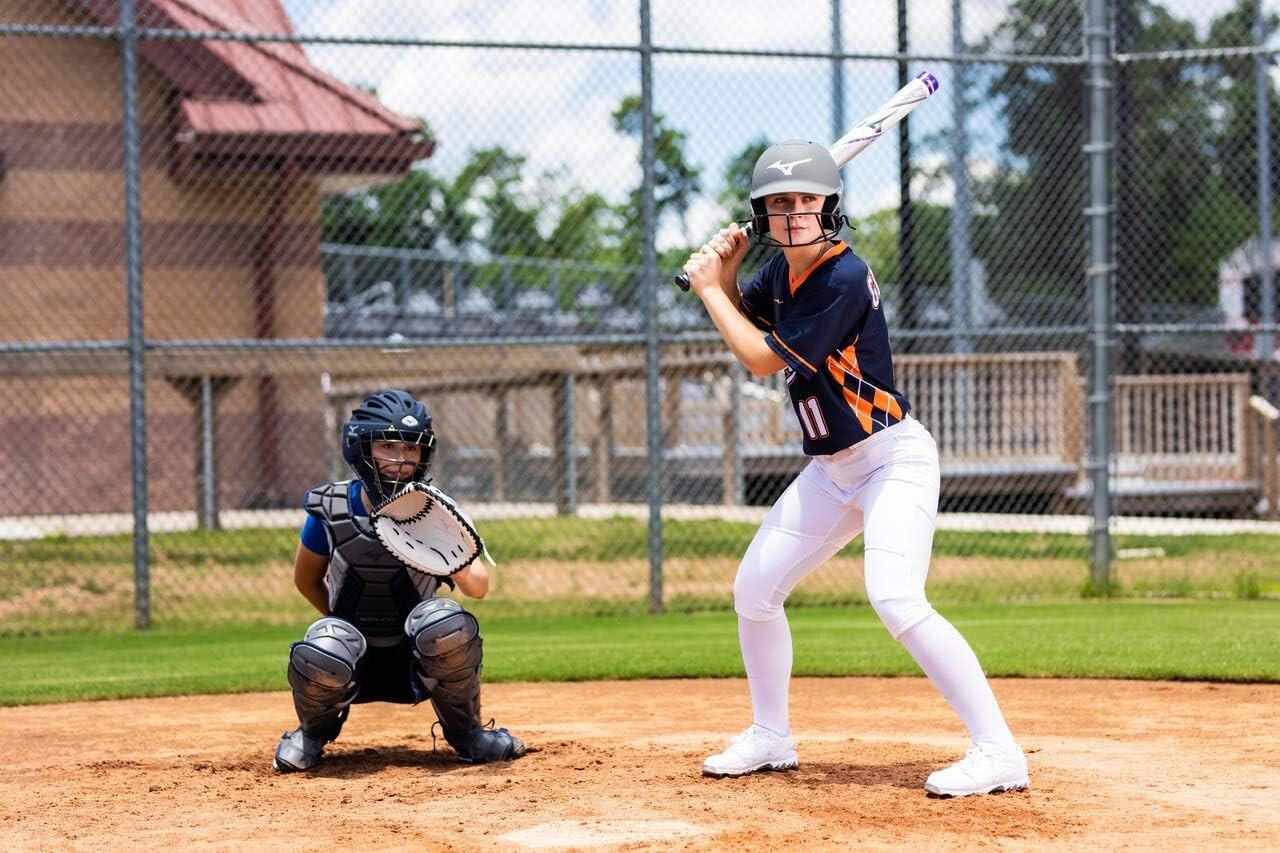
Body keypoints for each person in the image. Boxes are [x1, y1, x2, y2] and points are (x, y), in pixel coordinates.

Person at [680, 140, 1028, 797]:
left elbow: (758, 356)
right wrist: (724, 273)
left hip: (892, 457)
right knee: (753, 590)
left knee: (895, 593)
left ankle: (1000, 749)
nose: (793, 213)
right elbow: (745, 313)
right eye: (779, 203)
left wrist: (706, 289)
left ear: (829, 207)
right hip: (832, 470)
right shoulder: (781, 276)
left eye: (806, 200)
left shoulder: (841, 277)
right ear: (762, 215)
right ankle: (771, 735)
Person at [272, 389, 525, 772]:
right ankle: (310, 735)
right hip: (352, 655)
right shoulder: (332, 508)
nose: (401, 460)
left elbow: (479, 587)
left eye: (412, 449)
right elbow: (305, 580)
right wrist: (340, 622)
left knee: (445, 623)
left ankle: (469, 735)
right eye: (387, 445)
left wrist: (445, 551)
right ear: (361, 447)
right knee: (327, 641)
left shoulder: (437, 508)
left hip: (417, 652)